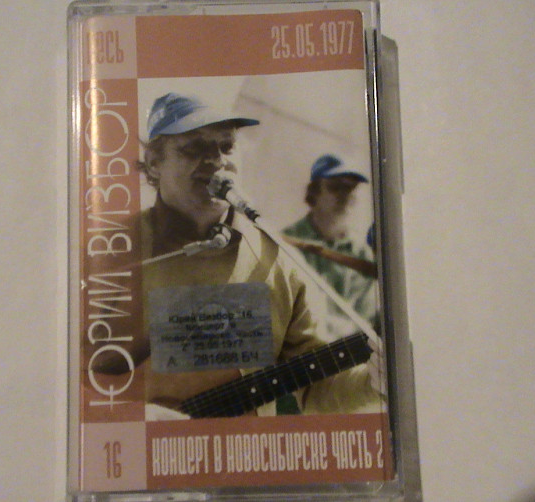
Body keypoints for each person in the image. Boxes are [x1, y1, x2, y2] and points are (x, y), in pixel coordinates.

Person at [130, 93, 383, 419]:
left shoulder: (281, 262)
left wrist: (372, 384)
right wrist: (133, 417)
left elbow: (314, 390)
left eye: (227, 146)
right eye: (195, 148)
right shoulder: (115, 250)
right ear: (154, 161)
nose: (217, 161)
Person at [283, 155, 379, 338]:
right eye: (336, 187)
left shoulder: (363, 255)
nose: (345, 196)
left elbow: (365, 320)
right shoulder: (285, 244)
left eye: (351, 188)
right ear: (314, 193)